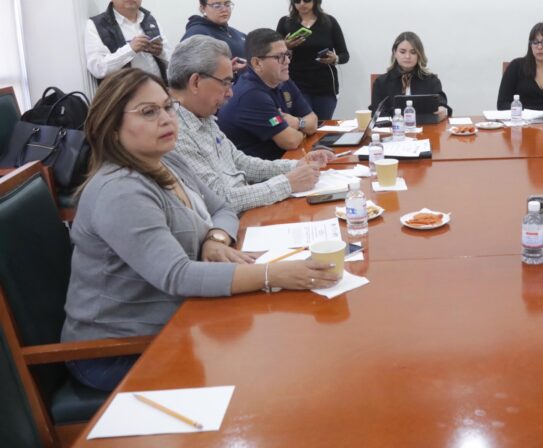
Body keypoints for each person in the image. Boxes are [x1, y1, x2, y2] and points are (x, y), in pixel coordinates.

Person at [61, 69, 337, 391]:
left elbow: (222, 208)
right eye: (149, 112)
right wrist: (273, 275)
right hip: (118, 351)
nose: (166, 118)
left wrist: (214, 238)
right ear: (111, 128)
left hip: (182, 319)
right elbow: (178, 275)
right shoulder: (120, 190)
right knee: (269, 375)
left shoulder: (167, 160)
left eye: (167, 107)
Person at [169, 36, 335, 213]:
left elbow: (241, 162)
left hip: (249, 209)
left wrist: (296, 166)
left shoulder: (203, 116)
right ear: (195, 82)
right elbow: (219, 199)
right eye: (225, 83)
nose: (230, 93)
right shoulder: (174, 132)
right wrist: (288, 183)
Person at [218, 29, 319, 159]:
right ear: (257, 63)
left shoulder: (283, 80)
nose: (287, 61)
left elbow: (313, 121)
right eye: (279, 57)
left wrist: (298, 123)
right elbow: (291, 141)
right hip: (258, 169)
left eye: (287, 54)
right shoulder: (251, 95)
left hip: (284, 160)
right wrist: (303, 130)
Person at [276, 0, 349, 120]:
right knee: (303, 126)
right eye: (297, 0)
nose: (302, 4)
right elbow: (273, 55)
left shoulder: (329, 22)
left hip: (325, 86)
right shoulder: (286, 23)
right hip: (296, 84)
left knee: (322, 126)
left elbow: (344, 55)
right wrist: (286, 46)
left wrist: (335, 59)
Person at [84, 0, 172, 84]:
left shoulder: (150, 20)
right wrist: (130, 49)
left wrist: (160, 52)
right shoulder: (96, 25)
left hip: (158, 88)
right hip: (125, 93)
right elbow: (98, 68)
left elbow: (172, 60)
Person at [370, 31, 451, 119]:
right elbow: (376, 113)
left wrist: (443, 109)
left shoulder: (431, 80)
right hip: (394, 127)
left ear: (419, 55)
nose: (407, 56)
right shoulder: (381, 83)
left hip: (426, 126)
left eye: (413, 52)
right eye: (402, 52)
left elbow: (442, 103)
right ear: (395, 53)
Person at [181, 0, 248, 69]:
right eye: (217, 6)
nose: (224, 9)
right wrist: (227, 71)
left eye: (227, 4)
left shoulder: (239, 34)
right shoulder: (196, 34)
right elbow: (185, 69)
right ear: (202, 8)